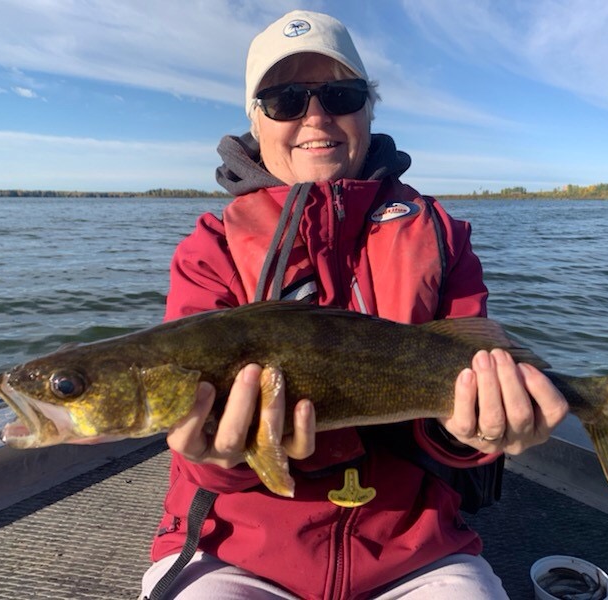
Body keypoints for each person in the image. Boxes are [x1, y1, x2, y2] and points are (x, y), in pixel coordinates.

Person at [140, 9, 568, 600]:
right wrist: (217, 456)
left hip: (415, 550)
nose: (316, 116)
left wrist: (482, 432)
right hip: (234, 549)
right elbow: (202, 468)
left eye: (340, 94)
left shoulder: (443, 234)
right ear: (256, 121)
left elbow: (462, 424)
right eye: (286, 99)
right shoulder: (210, 247)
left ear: (368, 109)